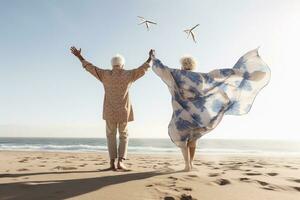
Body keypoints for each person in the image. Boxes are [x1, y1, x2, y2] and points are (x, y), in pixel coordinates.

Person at [151, 49, 270, 171]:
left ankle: (187, 165)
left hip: (182, 115)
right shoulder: (201, 78)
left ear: (182, 65)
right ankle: (191, 164)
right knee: (193, 139)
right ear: (192, 66)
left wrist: (154, 58)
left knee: (182, 139)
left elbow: (162, 69)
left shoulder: (176, 74)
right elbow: (220, 74)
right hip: (199, 115)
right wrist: (246, 75)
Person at [71, 47, 155, 170]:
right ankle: (120, 162)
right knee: (124, 135)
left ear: (112, 65)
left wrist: (79, 57)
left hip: (109, 111)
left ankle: (111, 163)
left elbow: (90, 67)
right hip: (123, 112)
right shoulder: (128, 74)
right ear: (123, 65)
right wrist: (150, 57)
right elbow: (143, 69)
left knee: (110, 136)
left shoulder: (105, 75)